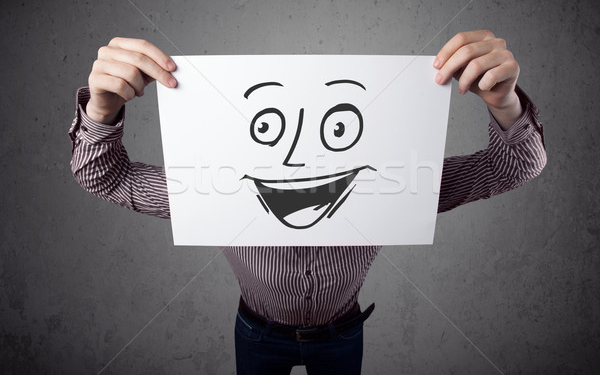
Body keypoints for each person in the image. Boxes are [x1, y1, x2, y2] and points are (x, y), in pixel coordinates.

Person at [69, 30, 546, 374]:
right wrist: (102, 110)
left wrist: (505, 105)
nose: (298, 159)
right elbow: (102, 175)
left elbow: (513, 165)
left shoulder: (398, 179)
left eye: (338, 128)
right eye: (268, 129)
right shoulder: (211, 184)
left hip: (342, 334)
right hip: (257, 334)